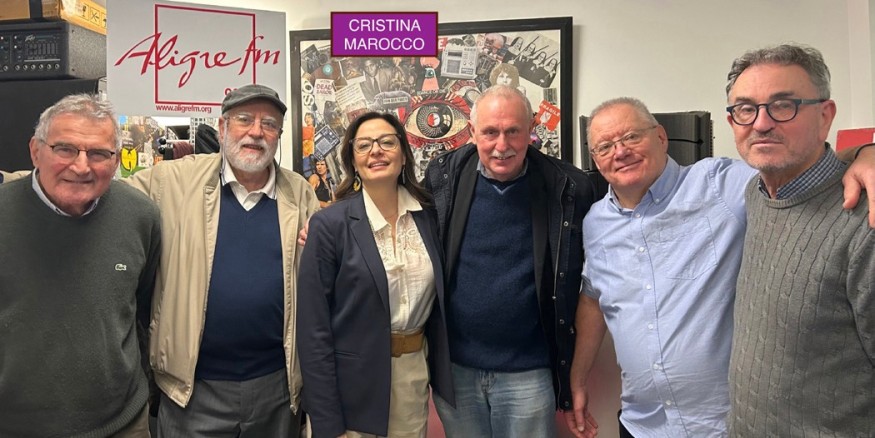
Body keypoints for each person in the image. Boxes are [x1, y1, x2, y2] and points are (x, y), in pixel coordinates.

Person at [572, 92, 875, 436]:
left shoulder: (719, 185)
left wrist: (865, 153)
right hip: (642, 424)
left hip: (722, 425)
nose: (620, 152)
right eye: (605, 146)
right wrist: (578, 380)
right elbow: (593, 299)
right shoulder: (596, 222)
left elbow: (793, 167)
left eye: (631, 136)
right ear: (595, 159)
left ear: (660, 137)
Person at [124, 84, 320, 436]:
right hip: (191, 391)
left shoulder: (300, 193)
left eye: (269, 124)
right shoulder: (172, 181)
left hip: (277, 388)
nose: (256, 132)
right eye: (244, 119)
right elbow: (98, 191)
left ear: (278, 135)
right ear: (222, 127)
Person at [423, 85, 598, 438]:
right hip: (455, 371)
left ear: (531, 129)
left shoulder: (568, 188)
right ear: (472, 132)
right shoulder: (443, 177)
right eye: (490, 132)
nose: (502, 145)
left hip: (528, 373)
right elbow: (395, 212)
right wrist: (328, 226)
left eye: (513, 131)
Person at [725, 44, 875, 436]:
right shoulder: (756, 194)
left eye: (783, 105)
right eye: (745, 108)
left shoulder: (865, 221)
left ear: (825, 116)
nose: (761, 123)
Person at [0, 94, 161, 437]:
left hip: (122, 423)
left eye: (98, 153)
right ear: (35, 151)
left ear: (115, 161)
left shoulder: (140, 216)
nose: (81, 166)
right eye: (65, 149)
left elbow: (143, 310)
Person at [297, 112, 453, 438]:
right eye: (364, 145)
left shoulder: (429, 218)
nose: (376, 151)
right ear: (352, 161)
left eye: (387, 142)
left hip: (412, 378)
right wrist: (326, 421)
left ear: (404, 155)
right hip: (350, 390)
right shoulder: (329, 225)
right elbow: (313, 331)